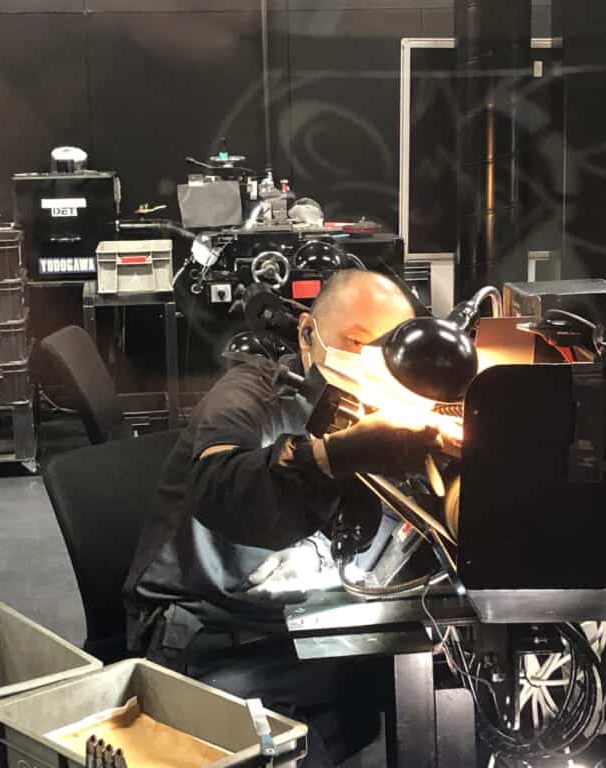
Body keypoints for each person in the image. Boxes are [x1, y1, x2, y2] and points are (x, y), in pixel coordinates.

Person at [124, 269, 436, 766]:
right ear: (306, 332)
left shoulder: (386, 409)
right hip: (212, 643)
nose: (369, 364)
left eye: (386, 351)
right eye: (354, 342)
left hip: (307, 630)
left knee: (437, 687)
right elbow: (223, 489)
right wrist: (332, 456)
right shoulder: (247, 397)